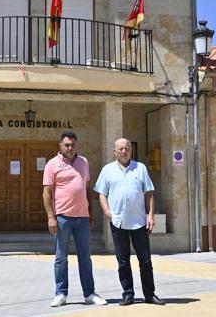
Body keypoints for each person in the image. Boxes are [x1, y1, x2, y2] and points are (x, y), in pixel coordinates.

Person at [94, 138, 165, 306]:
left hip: (139, 222)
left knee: (145, 261)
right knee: (123, 261)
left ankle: (150, 295)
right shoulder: (107, 170)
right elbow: (101, 194)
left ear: (131, 151)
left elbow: (149, 192)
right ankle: (128, 294)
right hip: (118, 222)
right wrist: (107, 212)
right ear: (115, 152)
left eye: (127, 148)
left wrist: (150, 215)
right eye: (120, 149)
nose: (124, 151)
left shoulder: (140, 168)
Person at [42, 131, 107, 307]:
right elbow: (47, 193)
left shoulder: (83, 162)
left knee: (85, 257)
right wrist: (51, 217)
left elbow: (86, 189)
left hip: (82, 218)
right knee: (61, 257)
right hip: (62, 218)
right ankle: (60, 294)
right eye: (67, 145)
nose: (70, 148)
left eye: (73, 145)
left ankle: (90, 293)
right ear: (60, 146)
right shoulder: (52, 164)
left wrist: (91, 210)